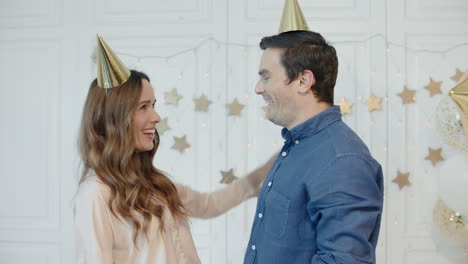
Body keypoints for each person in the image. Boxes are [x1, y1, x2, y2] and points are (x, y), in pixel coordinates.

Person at [74, 36, 273, 264]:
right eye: (143, 107)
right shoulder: (95, 193)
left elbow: (210, 204)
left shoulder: (157, 185)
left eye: (154, 105)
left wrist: (265, 171)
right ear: (115, 119)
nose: (156, 117)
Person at [243, 30, 384, 264]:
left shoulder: (343, 160)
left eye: (266, 77)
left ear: (303, 81)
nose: (258, 88)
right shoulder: (297, 146)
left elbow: (343, 261)